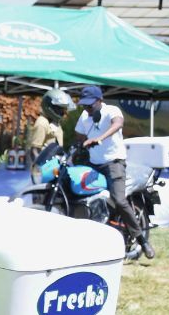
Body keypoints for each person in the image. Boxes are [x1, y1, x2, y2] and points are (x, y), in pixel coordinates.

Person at [75, 85, 153, 258]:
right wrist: (80, 144)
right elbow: (79, 135)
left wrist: (99, 138)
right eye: (84, 105)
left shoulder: (112, 110)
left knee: (119, 200)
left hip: (113, 162)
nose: (87, 109)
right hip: (93, 163)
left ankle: (141, 240)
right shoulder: (84, 117)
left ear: (99, 101)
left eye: (90, 105)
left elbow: (118, 124)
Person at [27, 88, 69, 165]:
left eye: (63, 109)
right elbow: (34, 150)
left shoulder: (54, 121)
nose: (62, 112)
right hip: (47, 168)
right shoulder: (42, 123)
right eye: (59, 109)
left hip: (56, 165)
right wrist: (41, 168)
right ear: (49, 107)